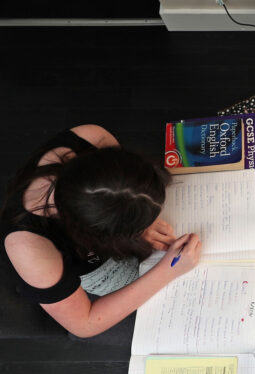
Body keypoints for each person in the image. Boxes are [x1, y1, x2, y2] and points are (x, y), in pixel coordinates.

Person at [0, 125, 202, 338]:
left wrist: (141, 217)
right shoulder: (28, 246)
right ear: (100, 233)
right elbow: (84, 324)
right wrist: (167, 272)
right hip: (91, 265)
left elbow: (122, 196)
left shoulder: (91, 138)